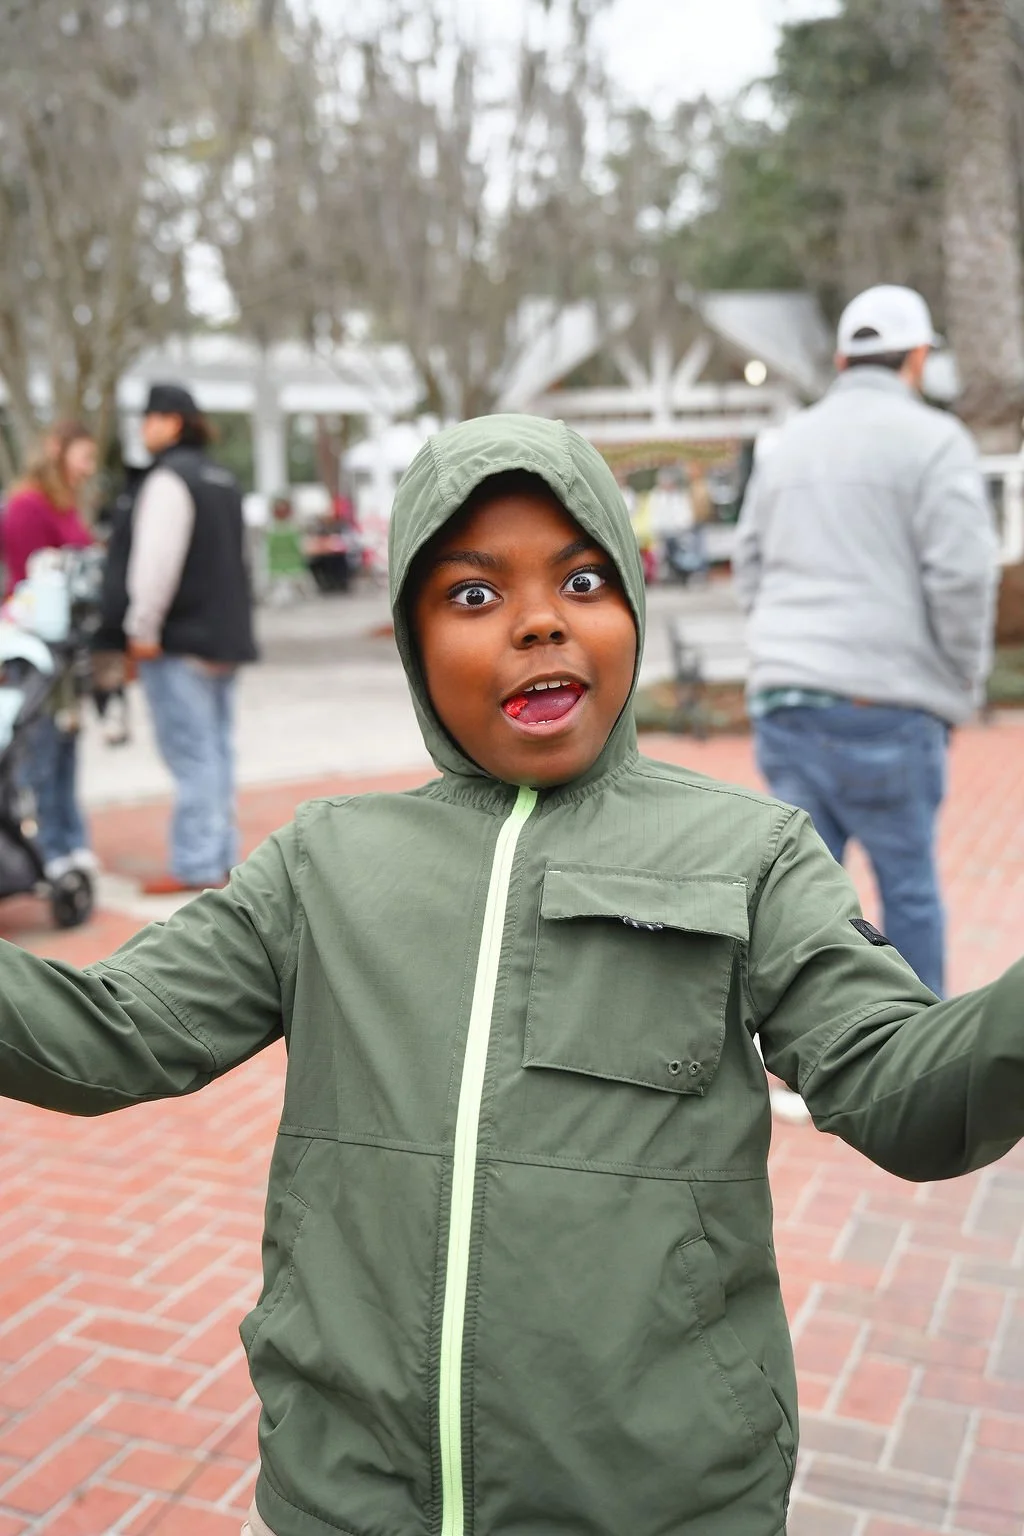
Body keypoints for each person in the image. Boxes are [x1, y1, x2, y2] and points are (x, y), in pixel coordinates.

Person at [4, 414, 1024, 1536]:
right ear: (412, 638)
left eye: (583, 580)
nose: (540, 621)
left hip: (665, 1500)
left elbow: (905, 1091)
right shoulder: (323, 863)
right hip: (348, 1496)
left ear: (632, 603)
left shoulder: (751, 853)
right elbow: (109, 1031)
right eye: (474, 593)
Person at [734, 284, 998, 1006]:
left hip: (787, 700)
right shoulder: (936, 441)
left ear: (843, 359)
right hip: (886, 705)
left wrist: (781, 644)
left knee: (799, 901)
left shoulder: (787, 444)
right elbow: (963, 576)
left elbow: (748, 564)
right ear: (917, 359)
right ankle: (918, 1050)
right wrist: (961, 679)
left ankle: (804, 1047)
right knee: (907, 889)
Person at [105, 383, 257, 895]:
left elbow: (155, 564)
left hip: (179, 638)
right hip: (223, 636)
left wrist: (140, 629)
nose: (143, 428)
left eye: (149, 418)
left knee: (192, 755)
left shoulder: (168, 479)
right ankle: (221, 856)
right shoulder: (222, 478)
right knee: (216, 751)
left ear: (171, 422)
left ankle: (195, 863)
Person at [1, 422, 97, 878]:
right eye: (84, 457)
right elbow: (28, 580)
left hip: (67, 652)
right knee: (39, 748)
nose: (89, 468)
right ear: (59, 453)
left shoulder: (64, 504)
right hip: (38, 651)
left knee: (65, 744)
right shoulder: (27, 506)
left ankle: (71, 839)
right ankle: (47, 847)